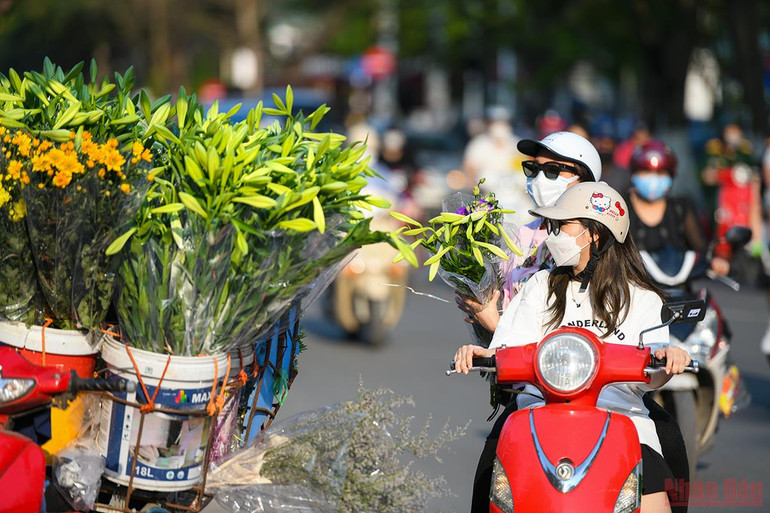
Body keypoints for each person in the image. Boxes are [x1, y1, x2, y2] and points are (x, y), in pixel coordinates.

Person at [455, 182, 692, 513]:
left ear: (595, 233)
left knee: (662, 469)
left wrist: (669, 359)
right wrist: (484, 354)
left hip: (621, 417)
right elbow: (508, 347)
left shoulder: (642, 299)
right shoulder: (540, 287)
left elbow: (654, 368)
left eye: (562, 225)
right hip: (536, 413)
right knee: (490, 473)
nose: (552, 234)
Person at [457, 131, 602, 330]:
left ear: (584, 179)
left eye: (552, 170)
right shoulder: (523, 233)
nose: (540, 178)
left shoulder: (592, 238)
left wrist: (495, 326)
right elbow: (506, 300)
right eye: (534, 169)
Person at [627, 139, 730, 277]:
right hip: (634, 284)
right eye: (646, 172)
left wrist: (715, 261)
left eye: (661, 173)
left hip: (678, 286)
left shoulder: (681, 208)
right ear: (634, 174)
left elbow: (701, 248)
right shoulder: (621, 208)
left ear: (671, 176)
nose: (654, 179)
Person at [462, 106, 530, 226]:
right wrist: (474, 190)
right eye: (495, 122)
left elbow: (526, 167)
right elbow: (469, 168)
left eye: (503, 122)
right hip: (488, 195)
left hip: (515, 195)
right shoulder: (478, 144)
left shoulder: (517, 144)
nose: (499, 126)